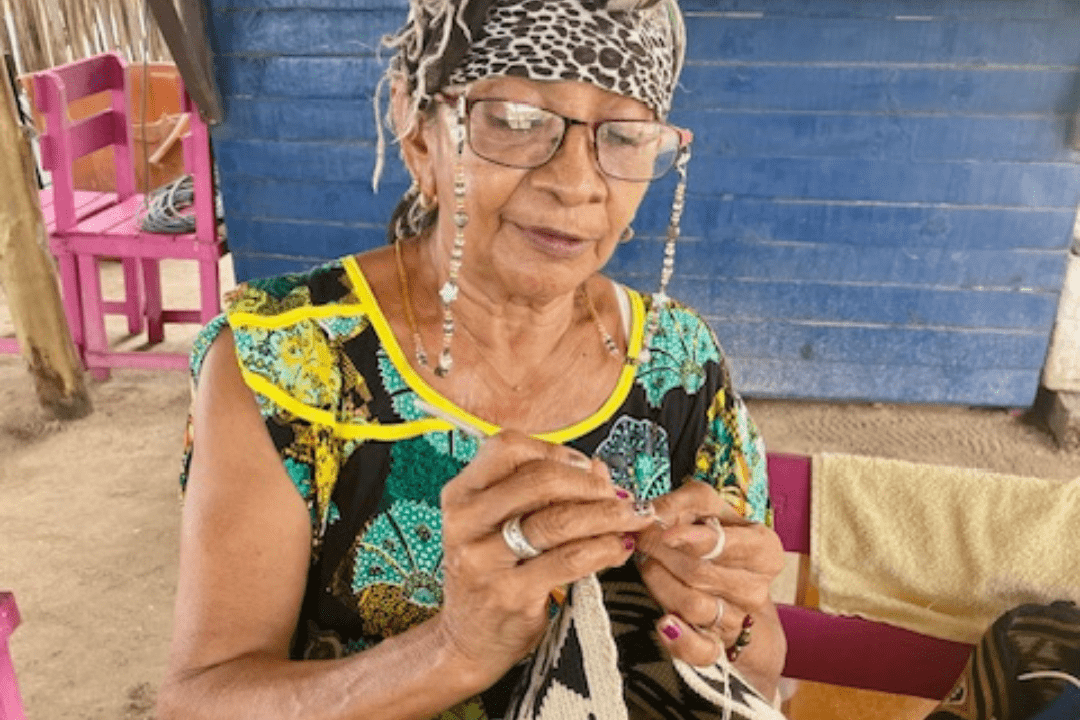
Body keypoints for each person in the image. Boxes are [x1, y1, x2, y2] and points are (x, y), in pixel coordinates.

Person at [156, 0, 787, 717]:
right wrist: (452, 649)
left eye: (624, 136)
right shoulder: (285, 364)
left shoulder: (682, 364)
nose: (576, 182)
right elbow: (198, 702)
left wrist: (723, 622)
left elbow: (760, 671)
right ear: (421, 134)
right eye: (516, 120)